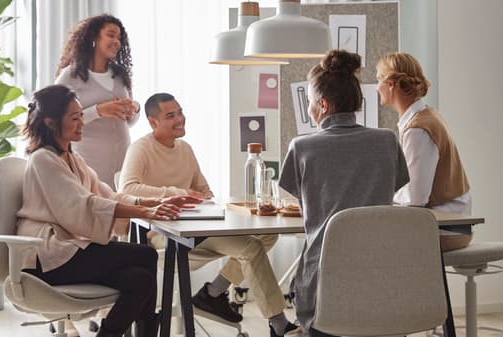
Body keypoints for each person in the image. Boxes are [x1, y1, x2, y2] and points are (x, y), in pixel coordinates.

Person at [17, 85, 200, 337]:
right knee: (146, 256)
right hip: (47, 256)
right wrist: (147, 213)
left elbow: (109, 196)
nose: (82, 122)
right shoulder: (43, 160)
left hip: (68, 251)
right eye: (74, 117)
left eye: (82, 115)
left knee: (141, 280)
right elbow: (85, 205)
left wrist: (153, 204)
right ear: (50, 122)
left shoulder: (73, 160)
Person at [119, 93, 299, 337]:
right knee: (251, 247)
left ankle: (213, 293)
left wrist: (202, 198)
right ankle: (278, 324)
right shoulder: (140, 149)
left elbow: (205, 192)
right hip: (164, 235)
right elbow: (127, 189)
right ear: (153, 122)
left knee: (267, 235)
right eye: (170, 115)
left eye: (180, 112)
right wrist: (178, 193)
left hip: (197, 227)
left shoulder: (185, 149)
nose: (180, 119)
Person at [278, 49, 410, 337]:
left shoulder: (302, 147)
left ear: (323, 105)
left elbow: (301, 200)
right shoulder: (387, 141)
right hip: (382, 278)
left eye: (311, 104)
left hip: (324, 284)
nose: (311, 111)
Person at [375, 52, 472, 251]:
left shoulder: (418, 129)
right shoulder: (425, 116)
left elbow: (416, 198)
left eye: (378, 79)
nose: (377, 87)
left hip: (446, 228)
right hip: (448, 222)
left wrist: (383, 194)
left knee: (368, 239)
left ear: (391, 84)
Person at [55, 14, 139, 189]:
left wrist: (134, 109)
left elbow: (128, 122)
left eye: (119, 38)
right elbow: (57, 121)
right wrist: (98, 110)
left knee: (121, 210)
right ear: (94, 36)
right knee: (94, 208)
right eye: (111, 35)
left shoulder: (120, 75)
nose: (117, 41)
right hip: (88, 159)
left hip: (123, 160)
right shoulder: (71, 75)